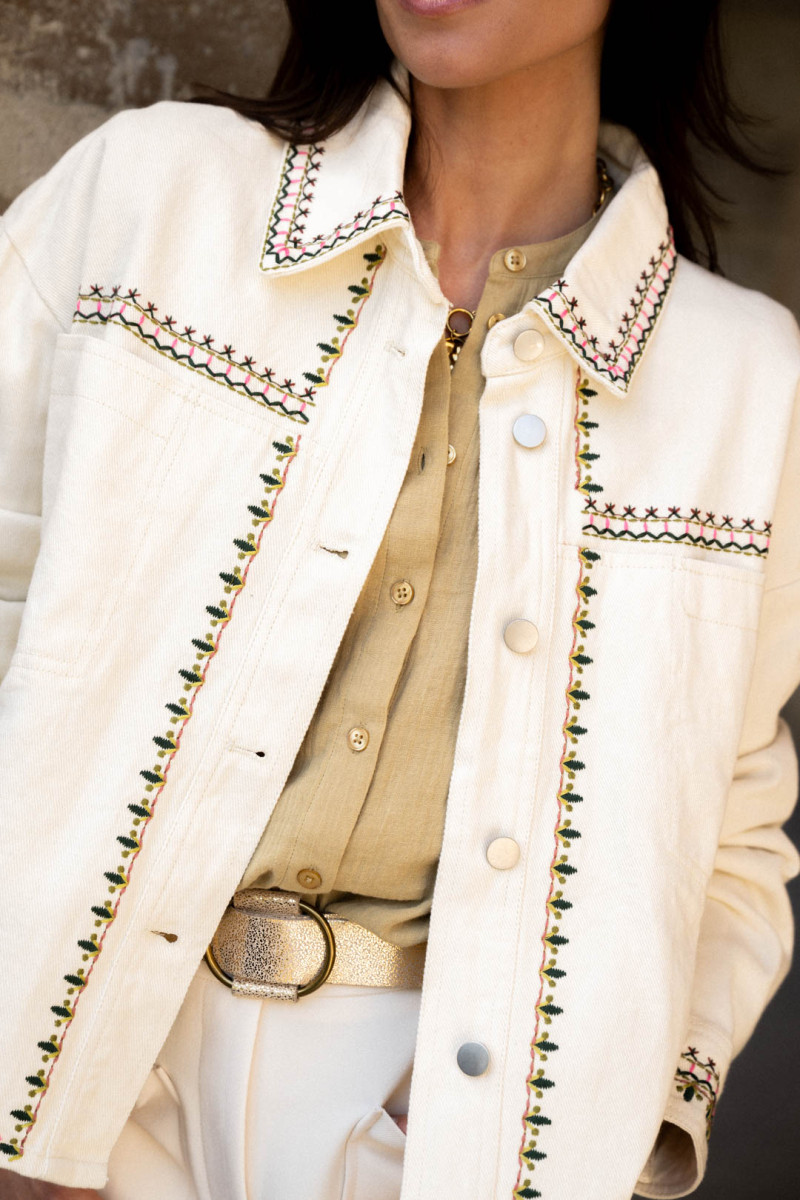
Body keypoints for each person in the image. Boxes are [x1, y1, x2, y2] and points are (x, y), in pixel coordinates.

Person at [1, 0, 799, 1197]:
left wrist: (611, 1111)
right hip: (82, 1058)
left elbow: (734, 834)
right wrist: (33, 1057)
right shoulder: (151, 198)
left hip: (447, 1131)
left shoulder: (740, 380)